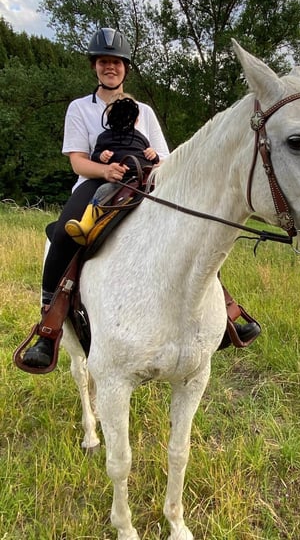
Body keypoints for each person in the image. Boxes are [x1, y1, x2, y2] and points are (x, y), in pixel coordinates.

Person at [22, 27, 260, 369]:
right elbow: (77, 161)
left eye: (116, 62)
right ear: (94, 66)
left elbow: (166, 159)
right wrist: (105, 170)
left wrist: (152, 159)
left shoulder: (144, 111)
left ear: (125, 68)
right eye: (104, 61)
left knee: (192, 232)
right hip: (96, 183)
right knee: (63, 233)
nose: (110, 67)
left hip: (144, 183)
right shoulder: (79, 108)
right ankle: (49, 328)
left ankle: (224, 312)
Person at [65, 93, 160, 245]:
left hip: (143, 180)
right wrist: (102, 159)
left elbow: (157, 160)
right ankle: (86, 223)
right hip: (117, 180)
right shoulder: (104, 137)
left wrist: (152, 154)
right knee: (103, 191)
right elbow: (94, 156)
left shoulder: (141, 137)